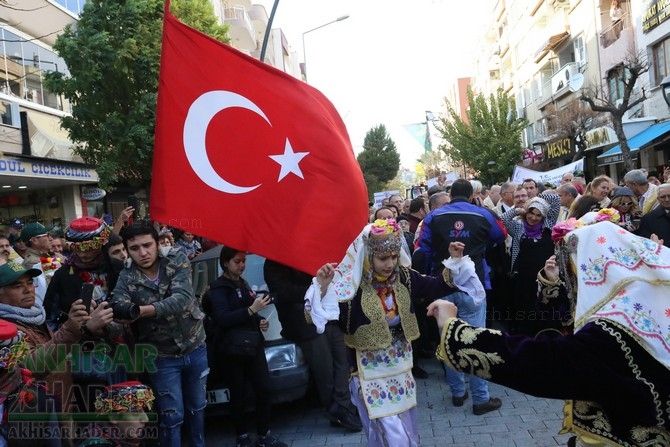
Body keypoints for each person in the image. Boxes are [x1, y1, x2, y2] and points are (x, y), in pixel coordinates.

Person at [427, 216, 670, 447]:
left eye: (573, 270)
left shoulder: (614, 324)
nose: (572, 279)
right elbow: (567, 320)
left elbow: (546, 360)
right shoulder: (648, 294)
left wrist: (454, 329)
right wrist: (552, 284)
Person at [307, 218, 473, 446]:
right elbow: (319, 315)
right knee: (387, 428)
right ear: (368, 257)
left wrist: (454, 260)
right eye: (383, 258)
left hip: (400, 364)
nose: (390, 263)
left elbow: (435, 285)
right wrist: (323, 286)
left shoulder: (404, 277)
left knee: (405, 419)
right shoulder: (351, 285)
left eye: (394, 257)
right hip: (367, 368)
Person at [110, 223, 207, 447]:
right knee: (172, 417)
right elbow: (119, 307)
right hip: (161, 357)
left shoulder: (176, 258)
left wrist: (140, 312)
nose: (143, 253)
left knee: (197, 408)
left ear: (157, 244)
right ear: (126, 250)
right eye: (135, 248)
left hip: (195, 346)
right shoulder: (125, 277)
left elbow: (182, 298)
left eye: (147, 245)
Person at [202, 247, 287, 447]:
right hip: (231, 350)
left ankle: (264, 434)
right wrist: (251, 311)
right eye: (237, 262)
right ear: (225, 263)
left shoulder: (243, 283)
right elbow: (223, 318)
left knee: (264, 389)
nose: (241, 265)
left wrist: (258, 320)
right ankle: (242, 437)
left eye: (243, 262)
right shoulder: (218, 290)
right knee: (238, 394)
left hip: (252, 345)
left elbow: (247, 311)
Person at [263, 259, 362, 432]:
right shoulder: (273, 263)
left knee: (342, 361)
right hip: (304, 322)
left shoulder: (305, 250)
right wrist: (316, 289)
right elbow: (284, 292)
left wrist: (323, 286)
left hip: (329, 315)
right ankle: (335, 410)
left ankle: (344, 406)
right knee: (324, 370)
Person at [500, 193, 560, 335]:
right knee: (525, 309)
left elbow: (555, 199)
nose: (533, 218)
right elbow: (502, 219)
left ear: (544, 217)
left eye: (538, 215)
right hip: (523, 277)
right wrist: (517, 210)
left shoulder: (549, 225)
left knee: (543, 307)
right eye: (531, 213)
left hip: (545, 277)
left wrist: (537, 197)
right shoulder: (518, 227)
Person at [78, 381, 155, 447]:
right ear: (114, 417)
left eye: (143, 411)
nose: (145, 419)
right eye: (135, 412)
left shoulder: (129, 441)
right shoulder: (97, 444)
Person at [637, 182, 670, 247]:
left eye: (669, 196)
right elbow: (644, 242)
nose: (667, 199)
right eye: (663, 197)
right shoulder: (648, 219)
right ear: (658, 199)